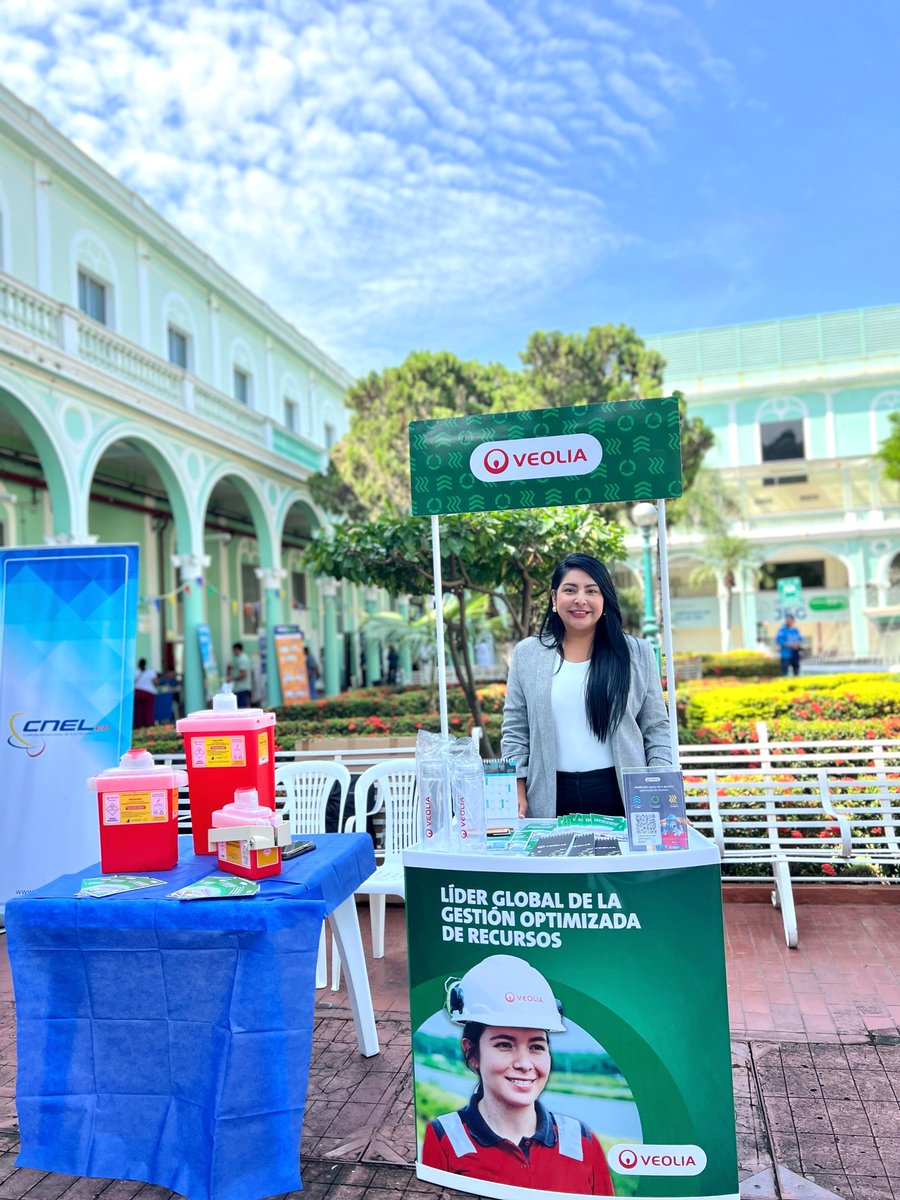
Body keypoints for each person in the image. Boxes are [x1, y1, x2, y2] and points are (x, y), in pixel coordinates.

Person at [421, 956, 614, 1195]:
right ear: (472, 1053)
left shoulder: (581, 1140)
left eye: (536, 1047)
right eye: (504, 1045)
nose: (524, 1064)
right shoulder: (445, 1138)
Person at [501, 553, 671, 819]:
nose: (581, 599)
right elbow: (515, 730)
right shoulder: (527, 654)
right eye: (570, 590)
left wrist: (659, 787)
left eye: (592, 590)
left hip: (623, 794)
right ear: (554, 599)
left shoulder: (636, 652)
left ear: (604, 600)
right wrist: (516, 786)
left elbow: (656, 728)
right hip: (550, 795)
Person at [226, 641, 252, 708]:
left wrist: (231, 678)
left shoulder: (242, 659)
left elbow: (243, 674)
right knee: (240, 707)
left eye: (233, 650)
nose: (233, 652)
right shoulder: (238, 658)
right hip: (239, 688)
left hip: (242, 688)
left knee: (243, 707)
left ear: (237, 649)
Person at [133, 658, 157, 728]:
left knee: (138, 711)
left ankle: (139, 726)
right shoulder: (150, 672)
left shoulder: (134, 672)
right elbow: (155, 682)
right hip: (149, 693)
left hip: (137, 693)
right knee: (148, 710)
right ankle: (149, 725)